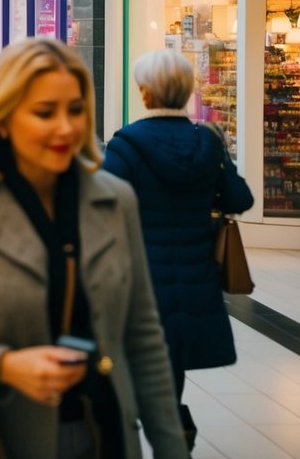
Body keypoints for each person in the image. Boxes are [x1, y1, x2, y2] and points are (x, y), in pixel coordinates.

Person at [0, 37, 188, 459]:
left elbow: (143, 336)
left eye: (75, 109)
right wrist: (4, 367)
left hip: (106, 434)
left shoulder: (115, 200)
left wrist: (172, 448)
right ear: (2, 119)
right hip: (5, 437)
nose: (65, 127)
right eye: (44, 113)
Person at [101, 50, 254, 449]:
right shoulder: (208, 141)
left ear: (146, 92)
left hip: (139, 276)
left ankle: (159, 427)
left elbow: (101, 206)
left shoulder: (126, 144)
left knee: (136, 360)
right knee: (173, 362)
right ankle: (175, 424)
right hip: (194, 275)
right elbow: (239, 198)